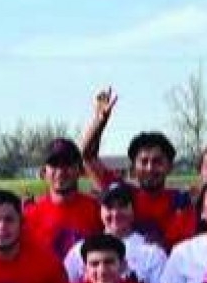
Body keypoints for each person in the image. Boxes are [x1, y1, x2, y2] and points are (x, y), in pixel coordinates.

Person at [78, 86, 188, 246]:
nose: (150, 168)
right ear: (133, 166)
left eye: (157, 162)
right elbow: (88, 156)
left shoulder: (180, 201)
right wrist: (99, 121)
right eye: (144, 162)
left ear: (169, 166)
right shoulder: (121, 192)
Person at [62, 182, 169, 283]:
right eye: (109, 207)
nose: (115, 213)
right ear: (100, 211)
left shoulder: (153, 252)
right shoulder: (80, 249)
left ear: (133, 209)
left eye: (122, 206)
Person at [24, 138, 103, 263]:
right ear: (44, 172)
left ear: (80, 170)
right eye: (54, 165)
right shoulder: (28, 213)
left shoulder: (98, 210)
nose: (61, 172)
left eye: (68, 164)